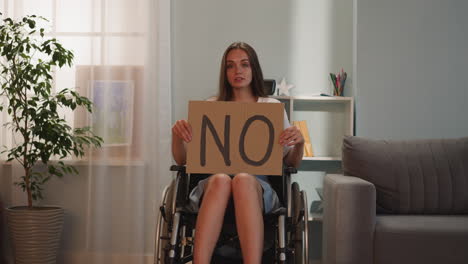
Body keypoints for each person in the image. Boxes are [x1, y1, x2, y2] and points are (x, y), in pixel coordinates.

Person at [171, 42, 304, 264]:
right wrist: (177, 135)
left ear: (254, 69)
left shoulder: (270, 106)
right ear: (225, 73)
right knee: (223, 179)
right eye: (230, 66)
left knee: (242, 178)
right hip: (214, 183)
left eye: (244, 64)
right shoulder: (211, 105)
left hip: (257, 185)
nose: (238, 71)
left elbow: (290, 163)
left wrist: (299, 144)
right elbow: (184, 160)